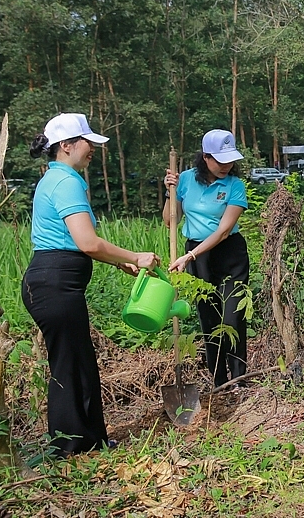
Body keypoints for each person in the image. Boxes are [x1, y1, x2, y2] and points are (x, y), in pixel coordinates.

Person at [23, 113, 160, 457]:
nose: (93, 151)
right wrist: (136, 256)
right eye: (88, 144)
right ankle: (69, 448)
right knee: (69, 364)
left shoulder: (53, 178)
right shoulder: (66, 182)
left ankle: (88, 441)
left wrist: (121, 261)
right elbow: (87, 242)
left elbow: (78, 243)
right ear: (66, 146)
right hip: (55, 283)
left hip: (53, 281)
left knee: (77, 361)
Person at [163, 129, 250, 388]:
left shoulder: (235, 185)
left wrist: (189, 255)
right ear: (205, 157)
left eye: (230, 160)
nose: (227, 166)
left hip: (229, 253)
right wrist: (170, 192)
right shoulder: (186, 180)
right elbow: (170, 220)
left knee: (233, 316)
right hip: (198, 256)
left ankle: (238, 380)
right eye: (220, 160)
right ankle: (218, 380)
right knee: (208, 318)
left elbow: (223, 231)